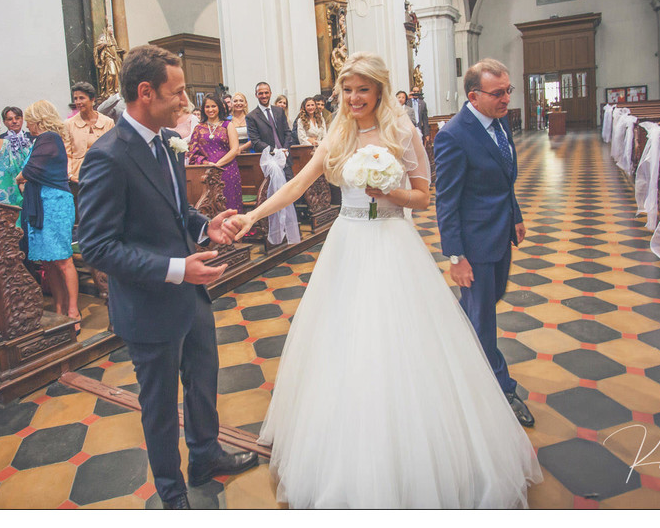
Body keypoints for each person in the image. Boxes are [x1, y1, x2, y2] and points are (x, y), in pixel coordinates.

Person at [226, 53, 541, 508]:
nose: (353, 99)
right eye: (347, 90)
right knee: (344, 345)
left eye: (362, 90)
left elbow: (422, 197)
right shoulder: (337, 132)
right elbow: (296, 184)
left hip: (393, 241)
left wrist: (386, 192)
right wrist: (252, 216)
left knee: (403, 346)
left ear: (377, 91)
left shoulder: (401, 131)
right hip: (348, 243)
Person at [76, 45, 257, 510]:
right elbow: (97, 245)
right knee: (159, 408)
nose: (186, 102)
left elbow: (176, 210)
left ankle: (205, 455)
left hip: (189, 298)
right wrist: (177, 268)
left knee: (203, 381)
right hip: (149, 303)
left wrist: (204, 226)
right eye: (177, 92)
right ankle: (173, 494)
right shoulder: (108, 156)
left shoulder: (166, 142)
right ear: (145, 92)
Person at [435, 59, 535, 428]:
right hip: (474, 246)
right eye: (499, 93)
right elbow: (446, 201)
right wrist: (456, 257)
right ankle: (498, 389)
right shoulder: (453, 136)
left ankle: (454, 358)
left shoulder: (500, 121)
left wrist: (517, 214)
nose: (507, 98)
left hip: (501, 233)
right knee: (483, 319)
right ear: (474, 96)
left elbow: (505, 178)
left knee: (482, 309)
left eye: (508, 90)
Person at [18, 101, 80, 327]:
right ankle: (58, 307)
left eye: (28, 121)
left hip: (54, 204)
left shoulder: (48, 138)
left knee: (63, 259)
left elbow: (28, 172)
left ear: (38, 119)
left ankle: (73, 310)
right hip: (41, 202)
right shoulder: (41, 141)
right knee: (49, 262)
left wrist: (20, 179)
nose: (27, 126)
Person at [187, 94, 243, 211]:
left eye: (213, 106)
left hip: (228, 170)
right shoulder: (198, 128)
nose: (210, 109)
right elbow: (192, 153)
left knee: (230, 204)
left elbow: (235, 149)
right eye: (207, 107)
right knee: (210, 207)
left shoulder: (228, 125)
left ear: (219, 108)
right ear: (203, 109)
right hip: (207, 172)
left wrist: (218, 164)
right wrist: (207, 164)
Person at [66, 82, 115, 183]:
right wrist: (70, 176)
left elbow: (114, 151)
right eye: (75, 98)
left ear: (92, 99)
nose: (78, 102)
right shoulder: (68, 124)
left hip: (104, 175)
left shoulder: (107, 122)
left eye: (82, 98)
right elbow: (66, 154)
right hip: (79, 178)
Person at [246, 81, 294, 178]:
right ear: (256, 95)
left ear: (270, 93)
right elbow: (255, 141)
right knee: (274, 191)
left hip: (285, 158)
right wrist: (275, 151)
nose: (264, 96)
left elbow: (287, 132)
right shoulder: (251, 117)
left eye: (266, 92)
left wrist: (284, 150)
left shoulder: (279, 111)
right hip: (268, 160)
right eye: (260, 93)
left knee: (291, 189)